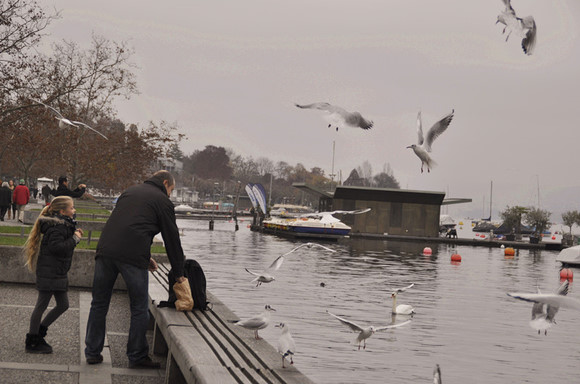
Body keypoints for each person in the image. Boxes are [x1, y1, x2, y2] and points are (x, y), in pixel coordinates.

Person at [85, 170, 186, 368]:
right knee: (139, 307)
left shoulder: (129, 191)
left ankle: (92, 352)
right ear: (165, 183)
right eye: (171, 190)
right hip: (131, 257)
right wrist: (179, 273)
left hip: (105, 250)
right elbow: (172, 240)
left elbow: (127, 225)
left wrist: (145, 256)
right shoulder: (163, 201)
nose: (171, 194)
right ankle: (137, 355)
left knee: (99, 303)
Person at [23, 196, 83, 353]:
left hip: (57, 272)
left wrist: (74, 235)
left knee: (63, 305)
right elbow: (58, 248)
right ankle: (32, 342)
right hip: (50, 272)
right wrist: (75, 239)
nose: (74, 210)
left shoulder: (64, 225)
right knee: (41, 306)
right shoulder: (57, 227)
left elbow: (62, 246)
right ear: (62, 211)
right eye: (71, 208)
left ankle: (39, 332)